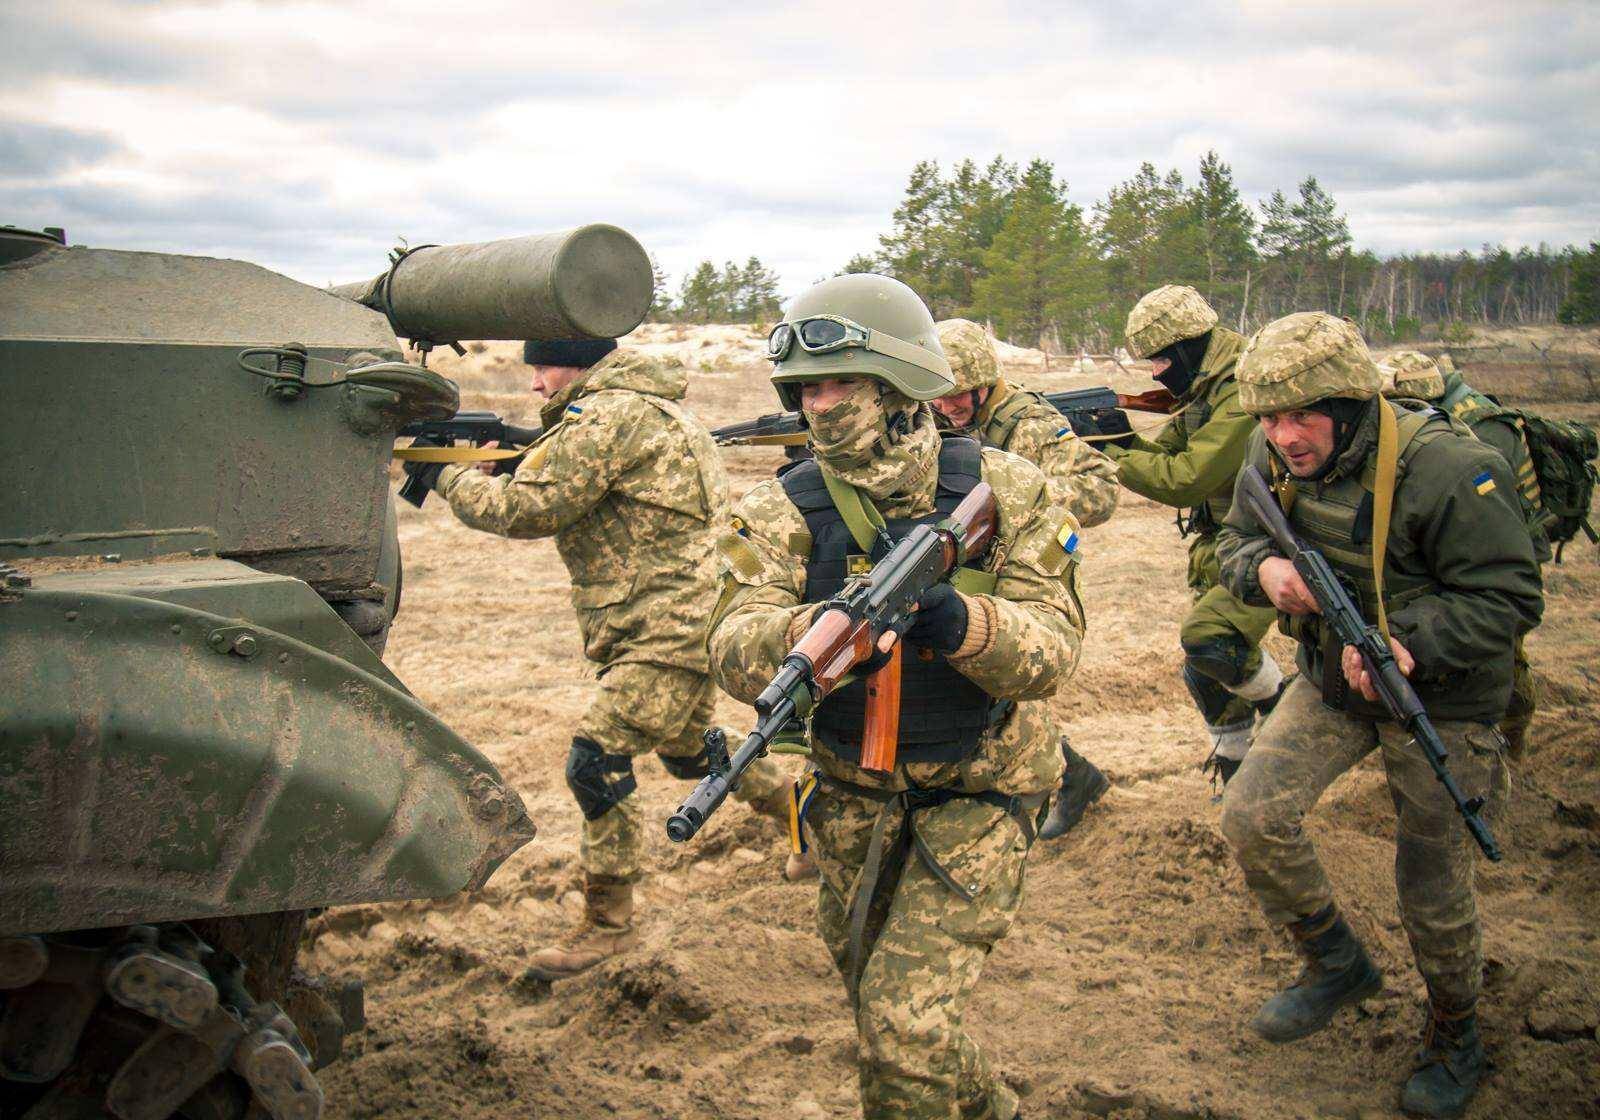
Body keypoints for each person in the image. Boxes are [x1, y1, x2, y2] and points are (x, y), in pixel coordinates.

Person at [707, 274, 1084, 1120]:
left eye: (839, 381)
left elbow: (1054, 654)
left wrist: (957, 621)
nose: (819, 403)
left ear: (897, 383)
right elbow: (729, 644)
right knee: (881, 1008)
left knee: (901, 1028)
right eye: (805, 387)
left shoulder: (1009, 490)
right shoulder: (779, 508)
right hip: (849, 793)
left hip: (982, 788)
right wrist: (824, 628)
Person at [1215, 312, 1541, 1118]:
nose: (1282, 435)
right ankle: (1335, 963)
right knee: (1252, 815)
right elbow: (1234, 543)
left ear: (1353, 403)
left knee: (1430, 884)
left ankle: (1454, 1029)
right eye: (1268, 417)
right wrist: (1266, 576)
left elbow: (1512, 597)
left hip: (1446, 698)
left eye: (1301, 416)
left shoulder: (1450, 468)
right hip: (1332, 679)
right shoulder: (1272, 454)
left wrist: (1411, 646)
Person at [402, 336, 793, 981]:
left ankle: (609, 924)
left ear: (582, 365)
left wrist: (441, 472)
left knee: (597, 757)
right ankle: (806, 818)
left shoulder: (607, 417)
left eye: (544, 367)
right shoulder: (643, 407)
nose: (534, 383)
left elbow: (523, 509)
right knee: (691, 754)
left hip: (663, 628)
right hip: (682, 617)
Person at [932, 317, 1116, 838]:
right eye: (940, 397)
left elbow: (1098, 489)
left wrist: (1014, 501)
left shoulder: (1027, 424)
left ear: (986, 383)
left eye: (960, 397)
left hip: (1030, 571)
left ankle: (1068, 778)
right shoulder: (942, 416)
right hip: (976, 573)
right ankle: (1073, 776)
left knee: (1013, 683)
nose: (948, 408)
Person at [1100, 285, 1286, 784]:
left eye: (1159, 361)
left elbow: (1187, 479)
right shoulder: (1205, 387)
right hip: (1224, 545)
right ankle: (1235, 766)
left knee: (1213, 647)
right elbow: (1166, 456)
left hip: (1269, 544)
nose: (1156, 373)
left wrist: (1107, 455)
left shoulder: (1241, 389)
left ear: (1184, 348)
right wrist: (1114, 433)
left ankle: (1285, 706)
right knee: (1206, 670)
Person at [1383, 348, 1550, 756]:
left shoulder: (1480, 431)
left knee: (1501, 652)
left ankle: (1509, 737)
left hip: (1505, 544)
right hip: (1456, 546)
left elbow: (1499, 516)